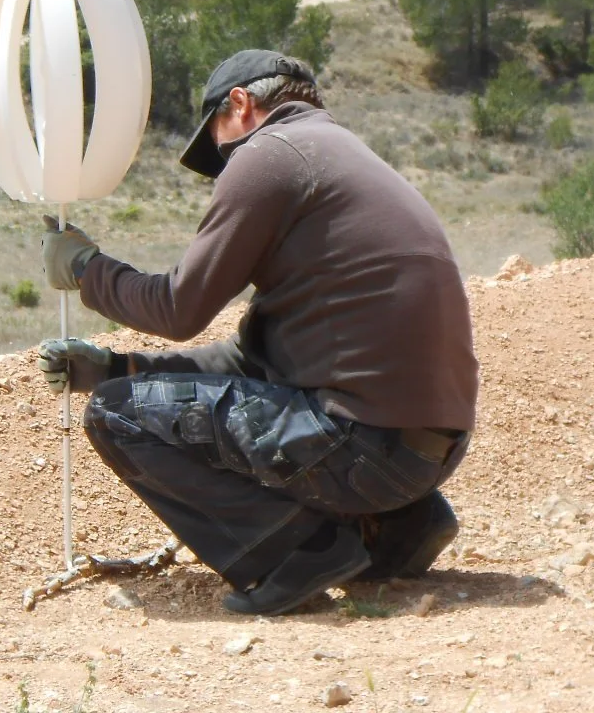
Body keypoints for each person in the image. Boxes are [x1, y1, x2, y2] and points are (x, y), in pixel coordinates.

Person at [36, 49, 479, 616]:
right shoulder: (340, 158)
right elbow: (253, 361)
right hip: (423, 454)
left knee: (115, 413)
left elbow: (177, 308)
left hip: (364, 447)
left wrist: (85, 270)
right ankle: (394, 528)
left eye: (220, 143)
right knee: (139, 393)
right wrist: (120, 367)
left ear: (241, 104)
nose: (224, 163)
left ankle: (295, 556)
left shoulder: (270, 155)